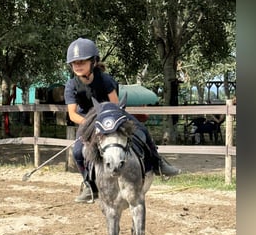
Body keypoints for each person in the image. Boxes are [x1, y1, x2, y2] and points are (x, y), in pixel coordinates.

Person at [63, 37, 180, 203]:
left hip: (112, 116)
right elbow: (72, 114)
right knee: (77, 152)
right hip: (87, 121)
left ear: (94, 61)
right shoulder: (71, 85)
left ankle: (158, 162)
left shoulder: (105, 79)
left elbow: (116, 105)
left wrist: (108, 123)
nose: (78, 65)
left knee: (141, 129)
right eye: (74, 62)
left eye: (82, 61)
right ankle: (89, 184)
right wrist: (91, 125)